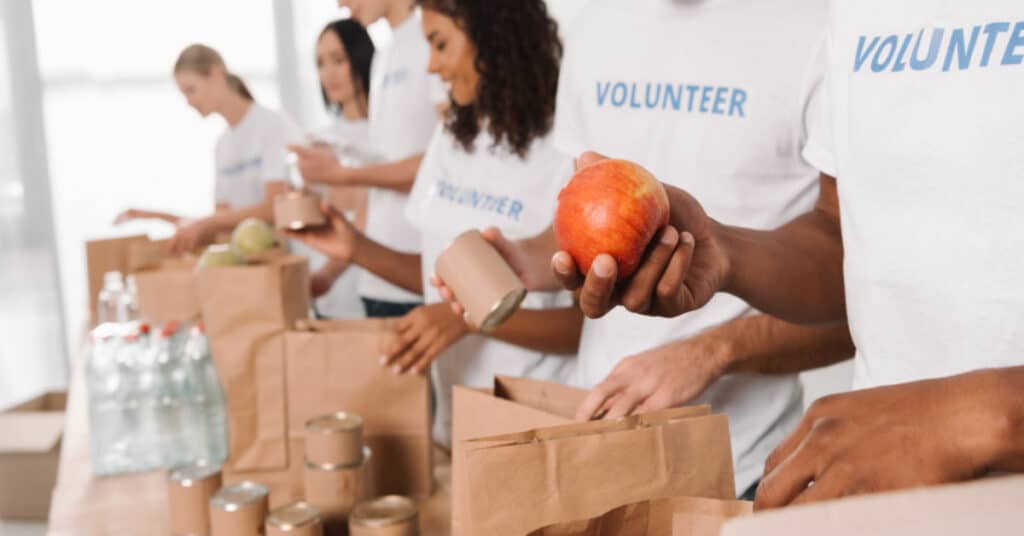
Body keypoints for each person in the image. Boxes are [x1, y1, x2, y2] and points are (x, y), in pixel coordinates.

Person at [463, 1, 1024, 508]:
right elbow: (843, 248)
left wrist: (976, 418)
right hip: (874, 496)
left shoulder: (803, 26)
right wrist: (722, 252)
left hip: (939, 472)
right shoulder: (858, 13)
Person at [433, 0, 854, 499]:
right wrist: (527, 262)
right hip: (598, 438)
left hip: (741, 465)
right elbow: (589, 224)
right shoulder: (592, 32)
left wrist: (712, 352)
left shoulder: (821, 30)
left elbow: (853, 297)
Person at [290, 0, 581, 445]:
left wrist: (468, 319)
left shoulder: (567, 150)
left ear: (494, 36)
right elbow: (435, 280)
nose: (432, 66)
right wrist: (356, 249)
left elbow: (581, 328)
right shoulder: (453, 138)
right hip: (458, 418)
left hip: (536, 428)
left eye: (440, 44)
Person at [291, 0, 445, 318]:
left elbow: (445, 166)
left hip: (421, 272)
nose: (340, 3)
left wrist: (341, 174)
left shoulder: (433, 43)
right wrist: (328, 274)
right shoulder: (385, 56)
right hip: (375, 281)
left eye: (337, 60)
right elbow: (372, 198)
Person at [116, 44, 302, 253]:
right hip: (249, 263)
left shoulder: (272, 125)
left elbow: (275, 208)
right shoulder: (222, 147)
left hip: (287, 257)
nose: (188, 102)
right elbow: (221, 223)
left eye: (191, 90)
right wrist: (154, 216)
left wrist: (204, 224)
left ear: (216, 74)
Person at [303, 18, 377, 319]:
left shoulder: (385, 137)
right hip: (324, 297)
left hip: (376, 288)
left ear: (360, 58)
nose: (328, 73)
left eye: (338, 60)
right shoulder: (317, 141)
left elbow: (363, 222)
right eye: (320, 63)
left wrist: (328, 274)